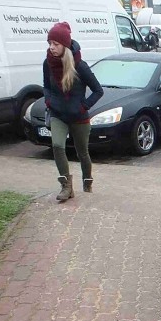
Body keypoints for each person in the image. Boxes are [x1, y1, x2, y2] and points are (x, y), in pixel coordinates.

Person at [43, 22, 103, 202]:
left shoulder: (80, 66)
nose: (52, 48)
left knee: (82, 153)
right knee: (57, 146)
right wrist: (49, 100)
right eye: (50, 43)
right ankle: (66, 186)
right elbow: (46, 86)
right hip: (58, 114)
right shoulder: (48, 63)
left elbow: (98, 90)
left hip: (78, 117)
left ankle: (87, 184)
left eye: (56, 44)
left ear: (65, 45)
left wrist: (83, 106)